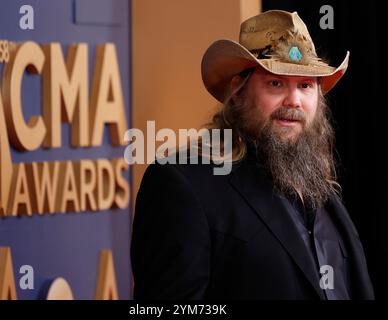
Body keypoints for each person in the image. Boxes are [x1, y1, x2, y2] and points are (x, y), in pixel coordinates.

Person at [130, 10, 374, 300]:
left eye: (306, 86)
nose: (294, 100)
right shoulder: (182, 183)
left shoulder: (321, 190)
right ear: (238, 91)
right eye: (276, 83)